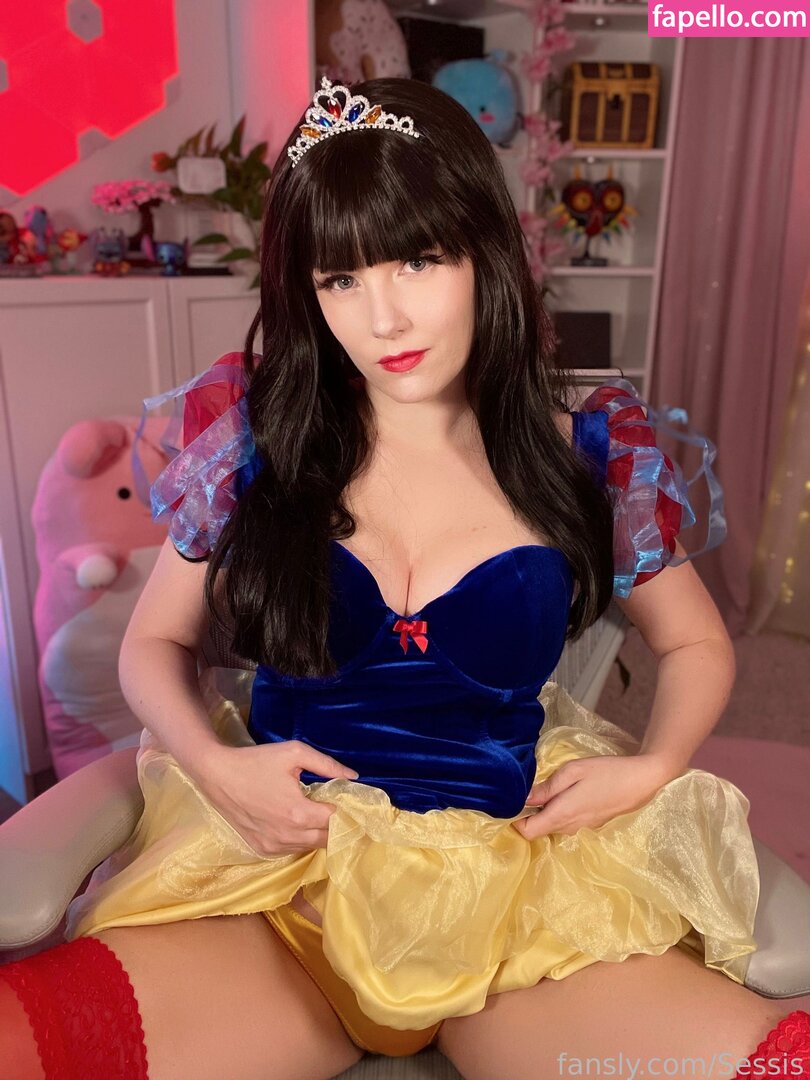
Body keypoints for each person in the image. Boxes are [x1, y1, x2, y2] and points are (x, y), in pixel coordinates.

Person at [1, 76, 808, 1080]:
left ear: (485, 253)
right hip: (274, 901)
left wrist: (653, 765)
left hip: (522, 911)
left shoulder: (588, 454)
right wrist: (212, 764)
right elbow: (152, 643)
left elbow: (695, 640)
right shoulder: (259, 440)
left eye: (419, 260)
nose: (383, 318)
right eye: (340, 280)